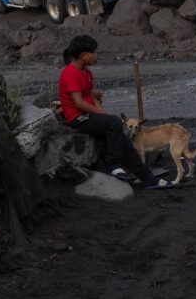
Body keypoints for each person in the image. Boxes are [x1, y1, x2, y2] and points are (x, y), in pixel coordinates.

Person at [58, 35, 169, 188]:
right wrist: (107, 118)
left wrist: (103, 113)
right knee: (115, 123)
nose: (96, 55)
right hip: (77, 119)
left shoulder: (87, 73)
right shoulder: (70, 73)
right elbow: (79, 103)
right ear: (83, 55)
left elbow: (91, 98)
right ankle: (113, 165)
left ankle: (148, 179)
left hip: (88, 116)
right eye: (93, 52)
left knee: (125, 142)